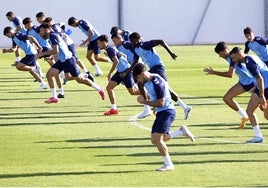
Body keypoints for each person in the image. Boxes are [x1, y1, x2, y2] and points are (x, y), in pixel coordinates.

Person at [133, 63, 195, 171]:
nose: (138, 81)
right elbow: (155, 98)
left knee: (157, 139)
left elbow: (161, 103)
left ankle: (169, 164)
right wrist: (152, 105)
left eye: (138, 78)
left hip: (167, 112)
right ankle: (181, 132)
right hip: (162, 112)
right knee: (154, 139)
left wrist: (145, 102)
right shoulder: (146, 81)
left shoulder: (157, 82)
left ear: (143, 74)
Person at [128, 32, 192, 120]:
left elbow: (160, 41)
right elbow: (135, 61)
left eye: (132, 41)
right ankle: (185, 107)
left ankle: (147, 109)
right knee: (165, 89)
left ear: (137, 40)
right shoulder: (136, 49)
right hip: (153, 68)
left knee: (141, 84)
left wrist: (171, 53)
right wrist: (129, 70)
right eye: (130, 41)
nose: (131, 43)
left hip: (158, 67)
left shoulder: (145, 45)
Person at [36, 23, 105, 103]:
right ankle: (54, 97)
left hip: (68, 60)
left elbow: (56, 50)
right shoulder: (52, 36)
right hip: (62, 60)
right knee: (50, 75)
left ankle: (99, 89)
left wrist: (42, 54)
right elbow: (60, 49)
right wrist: (51, 56)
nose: (40, 33)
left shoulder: (52, 36)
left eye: (41, 30)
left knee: (80, 80)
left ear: (47, 29)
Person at [203, 42, 255, 129]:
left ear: (224, 51)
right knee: (227, 98)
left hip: (252, 82)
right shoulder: (230, 57)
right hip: (243, 83)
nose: (219, 56)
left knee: (263, 106)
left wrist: (214, 72)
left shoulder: (232, 57)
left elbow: (230, 74)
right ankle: (245, 116)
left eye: (219, 54)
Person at [230, 47, 268, 143]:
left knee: (249, 111)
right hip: (263, 85)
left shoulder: (249, 63)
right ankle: (258, 136)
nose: (233, 61)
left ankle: (258, 136)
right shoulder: (250, 58)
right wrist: (255, 87)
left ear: (239, 55)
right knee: (266, 115)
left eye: (234, 58)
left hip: (265, 86)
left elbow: (260, 78)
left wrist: (262, 95)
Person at [111, 32, 152, 118]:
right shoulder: (118, 47)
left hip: (136, 67)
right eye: (113, 41)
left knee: (141, 87)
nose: (114, 43)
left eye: (115, 41)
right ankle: (147, 107)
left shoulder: (126, 44)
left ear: (119, 38)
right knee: (139, 87)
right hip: (132, 67)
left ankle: (148, 107)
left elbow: (136, 51)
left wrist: (131, 67)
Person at [97, 34, 140, 115]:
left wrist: (110, 73)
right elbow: (123, 55)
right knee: (109, 88)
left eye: (98, 43)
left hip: (125, 71)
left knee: (133, 92)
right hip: (121, 71)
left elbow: (116, 61)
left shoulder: (110, 49)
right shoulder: (110, 49)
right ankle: (114, 109)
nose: (98, 45)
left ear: (103, 42)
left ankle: (150, 95)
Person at [22, 17, 64, 98]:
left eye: (26, 25)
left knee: (51, 66)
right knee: (48, 66)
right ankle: (43, 78)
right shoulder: (28, 31)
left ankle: (47, 79)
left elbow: (46, 34)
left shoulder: (36, 28)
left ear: (28, 24)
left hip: (45, 48)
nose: (26, 27)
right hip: (40, 49)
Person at [44, 17, 94, 83]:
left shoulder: (55, 27)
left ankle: (86, 72)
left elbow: (63, 25)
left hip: (68, 44)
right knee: (62, 59)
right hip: (64, 46)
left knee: (74, 59)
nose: (49, 24)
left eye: (49, 22)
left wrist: (64, 33)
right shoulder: (54, 27)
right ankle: (66, 75)